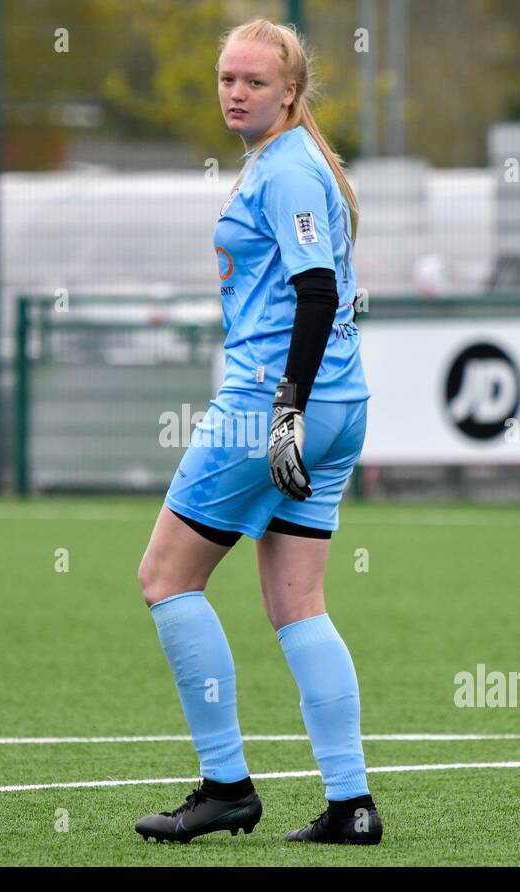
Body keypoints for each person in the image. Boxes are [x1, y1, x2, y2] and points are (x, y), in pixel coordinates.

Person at [134, 18, 378, 845]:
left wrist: (285, 410)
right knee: (296, 601)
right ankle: (351, 806)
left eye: (253, 82)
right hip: (337, 407)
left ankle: (224, 785)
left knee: (166, 578)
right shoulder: (282, 163)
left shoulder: (288, 170)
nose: (235, 92)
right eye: (226, 79)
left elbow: (314, 293)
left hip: (274, 407)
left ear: (291, 91)